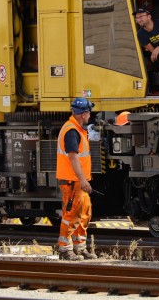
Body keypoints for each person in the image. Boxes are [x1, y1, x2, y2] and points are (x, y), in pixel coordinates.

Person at [56, 97, 98, 261]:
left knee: (83, 214)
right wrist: (82, 180)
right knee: (71, 214)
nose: (90, 115)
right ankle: (65, 249)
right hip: (72, 181)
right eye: (88, 112)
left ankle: (79, 248)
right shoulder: (71, 130)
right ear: (83, 113)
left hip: (78, 182)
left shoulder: (77, 129)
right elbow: (73, 157)